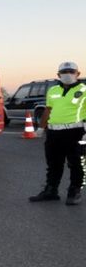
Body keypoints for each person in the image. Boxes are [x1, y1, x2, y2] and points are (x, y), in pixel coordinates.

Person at [29, 62, 86, 206]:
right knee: (54, 164)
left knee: (76, 164)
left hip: (76, 132)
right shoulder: (53, 90)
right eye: (64, 72)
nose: (68, 74)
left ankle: (74, 192)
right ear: (58, 75)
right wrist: (41, 128)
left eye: (71, 71)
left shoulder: (84, 89)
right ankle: (51, 191)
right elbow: (48, 110)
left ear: (77, 74)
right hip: (54, 133)